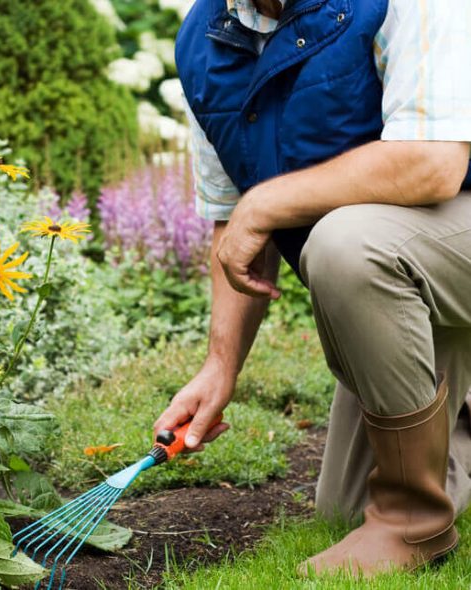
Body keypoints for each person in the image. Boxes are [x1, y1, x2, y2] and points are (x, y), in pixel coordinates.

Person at [153, 0, 471, 577]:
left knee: (346, 243)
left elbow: (433, 163)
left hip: (436, 237)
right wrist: (220, 366)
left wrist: (267, 203)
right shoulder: (204, 41)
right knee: (345, 509)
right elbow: (235, 225)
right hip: (419, 265)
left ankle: (411, 522)